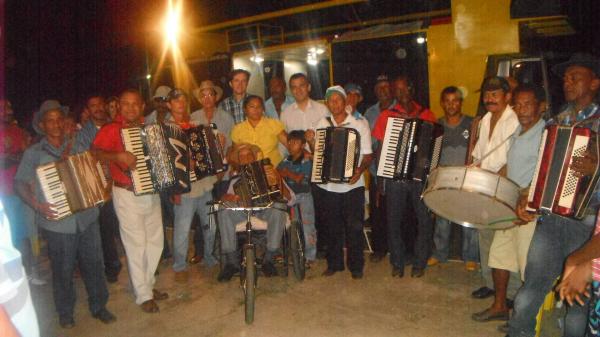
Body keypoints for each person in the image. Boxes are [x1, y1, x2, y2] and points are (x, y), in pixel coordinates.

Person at [506, 53, 600, 337]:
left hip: (588, 223)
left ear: (594, 83)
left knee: (576, 304)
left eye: (575, 77)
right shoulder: (557, 120)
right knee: (528, 293)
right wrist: (528, 197)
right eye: (566, 78)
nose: (567, 82)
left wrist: (597, 166)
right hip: (551, 219)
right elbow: (542, 172)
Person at [15, 100, 115, 328]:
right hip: (57, 224)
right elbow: (19, 184)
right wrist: (38, 206)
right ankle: (65, 312)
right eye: (50, 120)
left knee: (94, 264)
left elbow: (97, 157)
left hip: (87, 217)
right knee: (63, 270)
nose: (56, 124)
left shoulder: (78, 143)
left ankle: (99, 306)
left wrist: (103, 185)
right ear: (42, 125)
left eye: (59, 119)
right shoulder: (34, 153)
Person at [471, 84, 545, 326]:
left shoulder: (545, 134)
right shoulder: (518, 132)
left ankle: (527, 320)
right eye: (519, 105)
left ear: (540, 107)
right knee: (499, 257)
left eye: (528, 104)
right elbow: (507, 165)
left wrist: (525, 197)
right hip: (509, 205)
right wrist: (496, 188)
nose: (522, 110)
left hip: (528, 212)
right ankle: (500, 306)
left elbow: (544, 174)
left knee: (527, 267)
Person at [92, 89, 168, 313]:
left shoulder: (150, 128)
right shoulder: (111, 129)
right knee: (136, 245)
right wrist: (117, 156)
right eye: (125, 104)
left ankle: (148, 286)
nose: (130, 108)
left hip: (151, 191)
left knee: (156, 242)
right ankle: (143, 294)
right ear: (118, 106)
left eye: (135, 104)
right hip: (125, 192)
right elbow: (94, 152)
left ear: (142, 106)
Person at [372, 75, 436, 278]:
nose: (400, 94)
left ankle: (419, 262)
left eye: (403, 89)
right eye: (396, 91)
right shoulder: (386, 116)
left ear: (411, 89)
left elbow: (433, 146)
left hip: (419, 178)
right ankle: (397, 262)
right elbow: (381, 149)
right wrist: (381, 179)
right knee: (393, 221)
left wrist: (430, 171)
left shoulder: (426, 114)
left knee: (424, 220)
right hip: (395, 177)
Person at [310, 86, 372, 279]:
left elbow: (368, 155)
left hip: (352, 185)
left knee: (354, 226)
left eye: (338, 99)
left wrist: (359, 171)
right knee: (331, 226)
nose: (334, 103)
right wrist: (311, 140)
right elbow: (317, 153)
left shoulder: (359, 123)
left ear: (345, 102)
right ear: (327, 104)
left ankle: (356, 266)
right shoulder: (322, 122)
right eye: (330, 100)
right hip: (327, 185)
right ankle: (334, 263)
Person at [165, 87, 225, 283]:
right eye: (176, 101)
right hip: (183, 187)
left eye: (183, 100)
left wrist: (218, 145)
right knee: (182, 229)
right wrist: (175, 187)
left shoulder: (197, 124)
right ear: (169, 104)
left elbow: (210, 153)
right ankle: (179, 265)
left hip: (204, 184)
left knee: (211, 226)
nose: (180, 104)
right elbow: (165, 163)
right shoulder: (165, 129)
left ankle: (209, 257)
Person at [469, 76, 521, 300]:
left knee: (507, 239)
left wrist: (497, 181)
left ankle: (511, 293)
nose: (489, 99)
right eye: (486, 94)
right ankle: (490, 283)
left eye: (495, 94)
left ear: (507, 96)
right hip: (486, 187)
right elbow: (479, 156)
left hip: (506, 187)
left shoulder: (515, 120)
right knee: (485, 235)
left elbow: (514, 158)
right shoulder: (484, 120)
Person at [216, 143, 290, 282]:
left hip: (265, 210)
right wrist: (229, 197)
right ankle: (231, 262)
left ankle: (269, 259)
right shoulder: (233, 179)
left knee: (279, 205)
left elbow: (290, 199)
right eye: (241, 156)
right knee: (223, 208)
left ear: (254, 157)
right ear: (238, 161)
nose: (245, 158)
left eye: (248, 155)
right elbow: (223, 198)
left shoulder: (269, 172)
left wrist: (277, 178)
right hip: (243, 212)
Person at [427, 86, 478, 271]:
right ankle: (439, 254)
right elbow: (433, 156)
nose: (451, 105)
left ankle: (471, 257)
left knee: (469, 220)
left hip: (467, 180)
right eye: (447, 101)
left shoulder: (473, 124)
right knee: (442, 220)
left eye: (455, 100)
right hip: (444, 181)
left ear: (461, 102)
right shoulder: (437, 126)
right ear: (442, 103)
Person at [280, 73, 329, 256]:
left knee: (321, 207)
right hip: (299, 168)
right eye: (294, 86)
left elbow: (329, 137)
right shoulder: (286, 112)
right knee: (301, 211)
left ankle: (321, 247)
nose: (298, 90)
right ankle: (302, 248)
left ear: (308, 87)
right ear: (290, 90)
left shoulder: (322, 109)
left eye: (302, 85)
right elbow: (286, 142)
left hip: (319, 165)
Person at [76, 94, 122, 283]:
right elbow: (84, 160)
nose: (97, 109)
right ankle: (112, 266)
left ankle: (142, 263)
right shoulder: (83, 134)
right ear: (88, 110)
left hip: (120, 182)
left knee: (124, 226)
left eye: (100, 104)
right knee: (105, 228)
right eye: (92, 106)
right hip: (100, 187)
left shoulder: (116, 125)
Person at [188, 80, 234, 265]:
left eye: (210, 94)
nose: (207, 98)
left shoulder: (226, 117)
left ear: (216, 97)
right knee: (202, 215)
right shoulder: (193, 118)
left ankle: (224, 249)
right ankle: (200, 251)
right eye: (203, 94)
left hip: (222, 173)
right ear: (200, 98)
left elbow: (231, 147)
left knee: (223, 212)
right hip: (202, 176)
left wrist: (223, 169)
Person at [364, 75, 396, 263]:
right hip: (377, 170)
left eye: (387, 87)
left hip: (396, 171)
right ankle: (379, 249)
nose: (383, 90)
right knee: (378, 213)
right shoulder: (370, 113)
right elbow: (369, 142)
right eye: (380, 87)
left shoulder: (400, 108)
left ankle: (397, 248)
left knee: (397, 211)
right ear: (375, 91)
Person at [277, 130, 317, 263]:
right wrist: (284, 173)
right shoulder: (285, 160)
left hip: (304, 195)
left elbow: (301, 179)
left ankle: (310, 255)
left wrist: (287, 173)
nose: (291, 144)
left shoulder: (306, 160)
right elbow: (277, 172)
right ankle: (291, 253)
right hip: (289, 197)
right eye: (289, 142)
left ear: (303, 144)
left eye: (295, 142)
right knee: (290, 225)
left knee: (307, 225)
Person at [231, 95, 288, 167]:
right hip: (250, 171)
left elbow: (290, 145)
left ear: (263, 109)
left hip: (273, 170)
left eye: (259, 106)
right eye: (252, 106)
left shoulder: (273, 124)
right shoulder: (237, 129)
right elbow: (235, 156)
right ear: (245, 109)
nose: (256, 109)